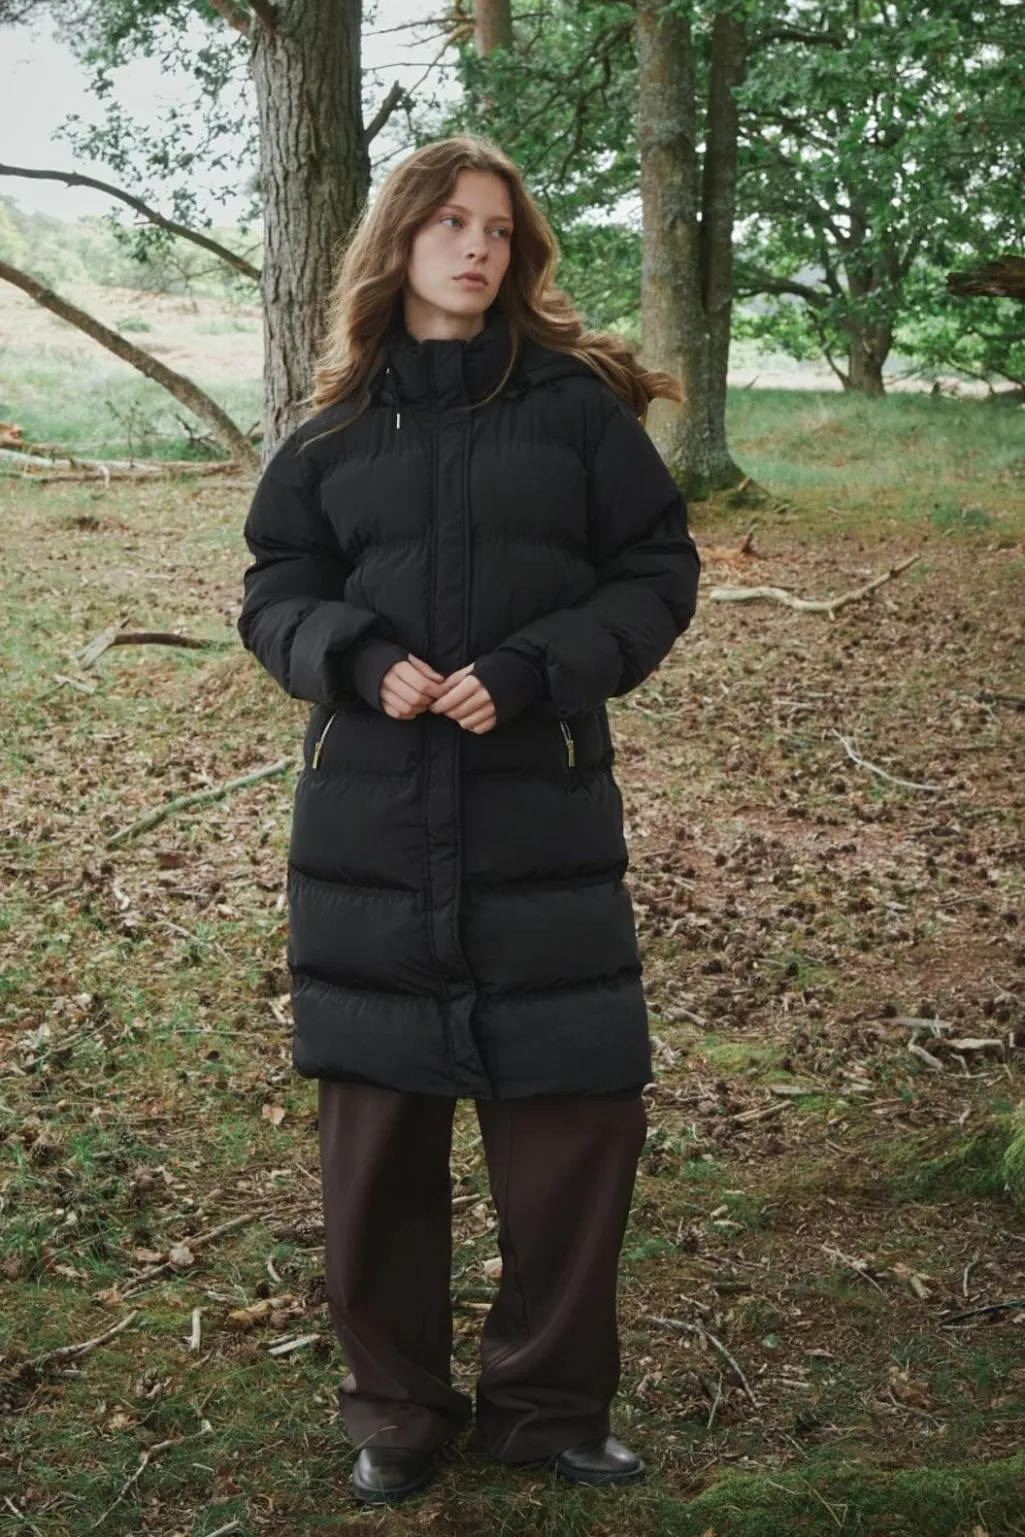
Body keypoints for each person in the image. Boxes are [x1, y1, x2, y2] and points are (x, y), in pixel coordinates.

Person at [236, 134, 700, 1507]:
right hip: (371, 832)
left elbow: (656, 573)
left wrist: (538, 668)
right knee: (378, 1141)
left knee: (574, 1123)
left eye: (498, 228)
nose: (477, 247)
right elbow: (274, 590)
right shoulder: (331, 432)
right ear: (400, 241)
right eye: (449, 222)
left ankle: (550, 1409)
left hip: (540, 818)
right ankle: (396, 1411)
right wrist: (353, 656)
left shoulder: (578, 416)